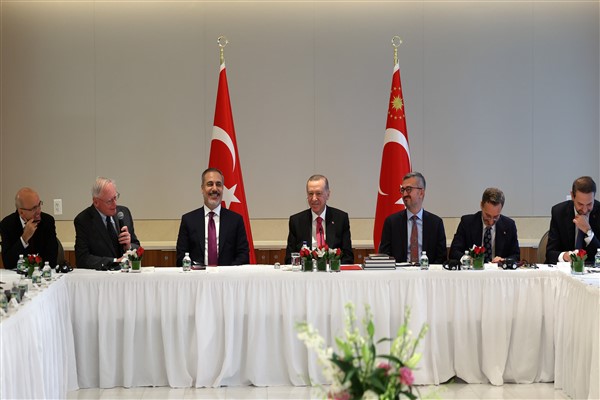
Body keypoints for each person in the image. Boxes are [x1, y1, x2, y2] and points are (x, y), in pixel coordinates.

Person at [176, 168, 249, 266]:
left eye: (218, 184)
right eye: (210, 184)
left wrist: (226, 272)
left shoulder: (236, 220)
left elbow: (243, 256)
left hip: (227, 275)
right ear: (202, 189)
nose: (214, 189)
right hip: (197, 275)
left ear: (222, 188)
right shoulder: (189, 220)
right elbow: (181, 256)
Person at [379, 172, 446, 264]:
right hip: (399, 271)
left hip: (428, 271)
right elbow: (385, 255)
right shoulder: (392, 222)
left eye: (408, 189)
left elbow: (441, 257)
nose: (404, 194)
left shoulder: (436, 223)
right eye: (402, 190)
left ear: (421, 193)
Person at [285, 174, 354, 264]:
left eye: (318, 193)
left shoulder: (340, 219)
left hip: (332, 271)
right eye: (310, 194)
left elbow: (348, 257)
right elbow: (289, 258)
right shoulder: (296, 221)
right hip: (306, 271)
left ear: (328, 195)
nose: (314, 198)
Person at [74, 177, 140, 269]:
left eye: (115, 197)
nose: (114, 204)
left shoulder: (124, 213)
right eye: (109, 201)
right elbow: (82, 259)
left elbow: (139, 249)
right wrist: (114, 261)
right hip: (101, 275)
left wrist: (129, 247)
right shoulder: (83, 220)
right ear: (96, 202)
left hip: (126, 273)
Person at [449, 188, 520, 262]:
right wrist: (468, 260)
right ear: (481, 205)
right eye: (488, 215)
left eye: (496, 217)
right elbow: (454, 252)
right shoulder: (467, 223)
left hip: (498, 269)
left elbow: (516, 256)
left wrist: (504, 260)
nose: (491, 222)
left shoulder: (509, 225)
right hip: (473, 268)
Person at [546, 176, 600, 264]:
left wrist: (588, 231)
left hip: (591, 269)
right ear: (572, 196)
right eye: (580, 204)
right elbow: (550, 254)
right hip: (565, 268)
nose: (585, 210)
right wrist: (565, 256)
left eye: (589, 204)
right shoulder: (559, 212)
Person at [1, 187, 58, 269]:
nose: (39, 211)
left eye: (39, 205)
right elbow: (8, 263)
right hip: (18, 274)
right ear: (21, 212)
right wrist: (24, 238)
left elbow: (52, 259)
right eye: (34, 208)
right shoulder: (7, 224)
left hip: (42, 273)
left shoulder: (47, 221)